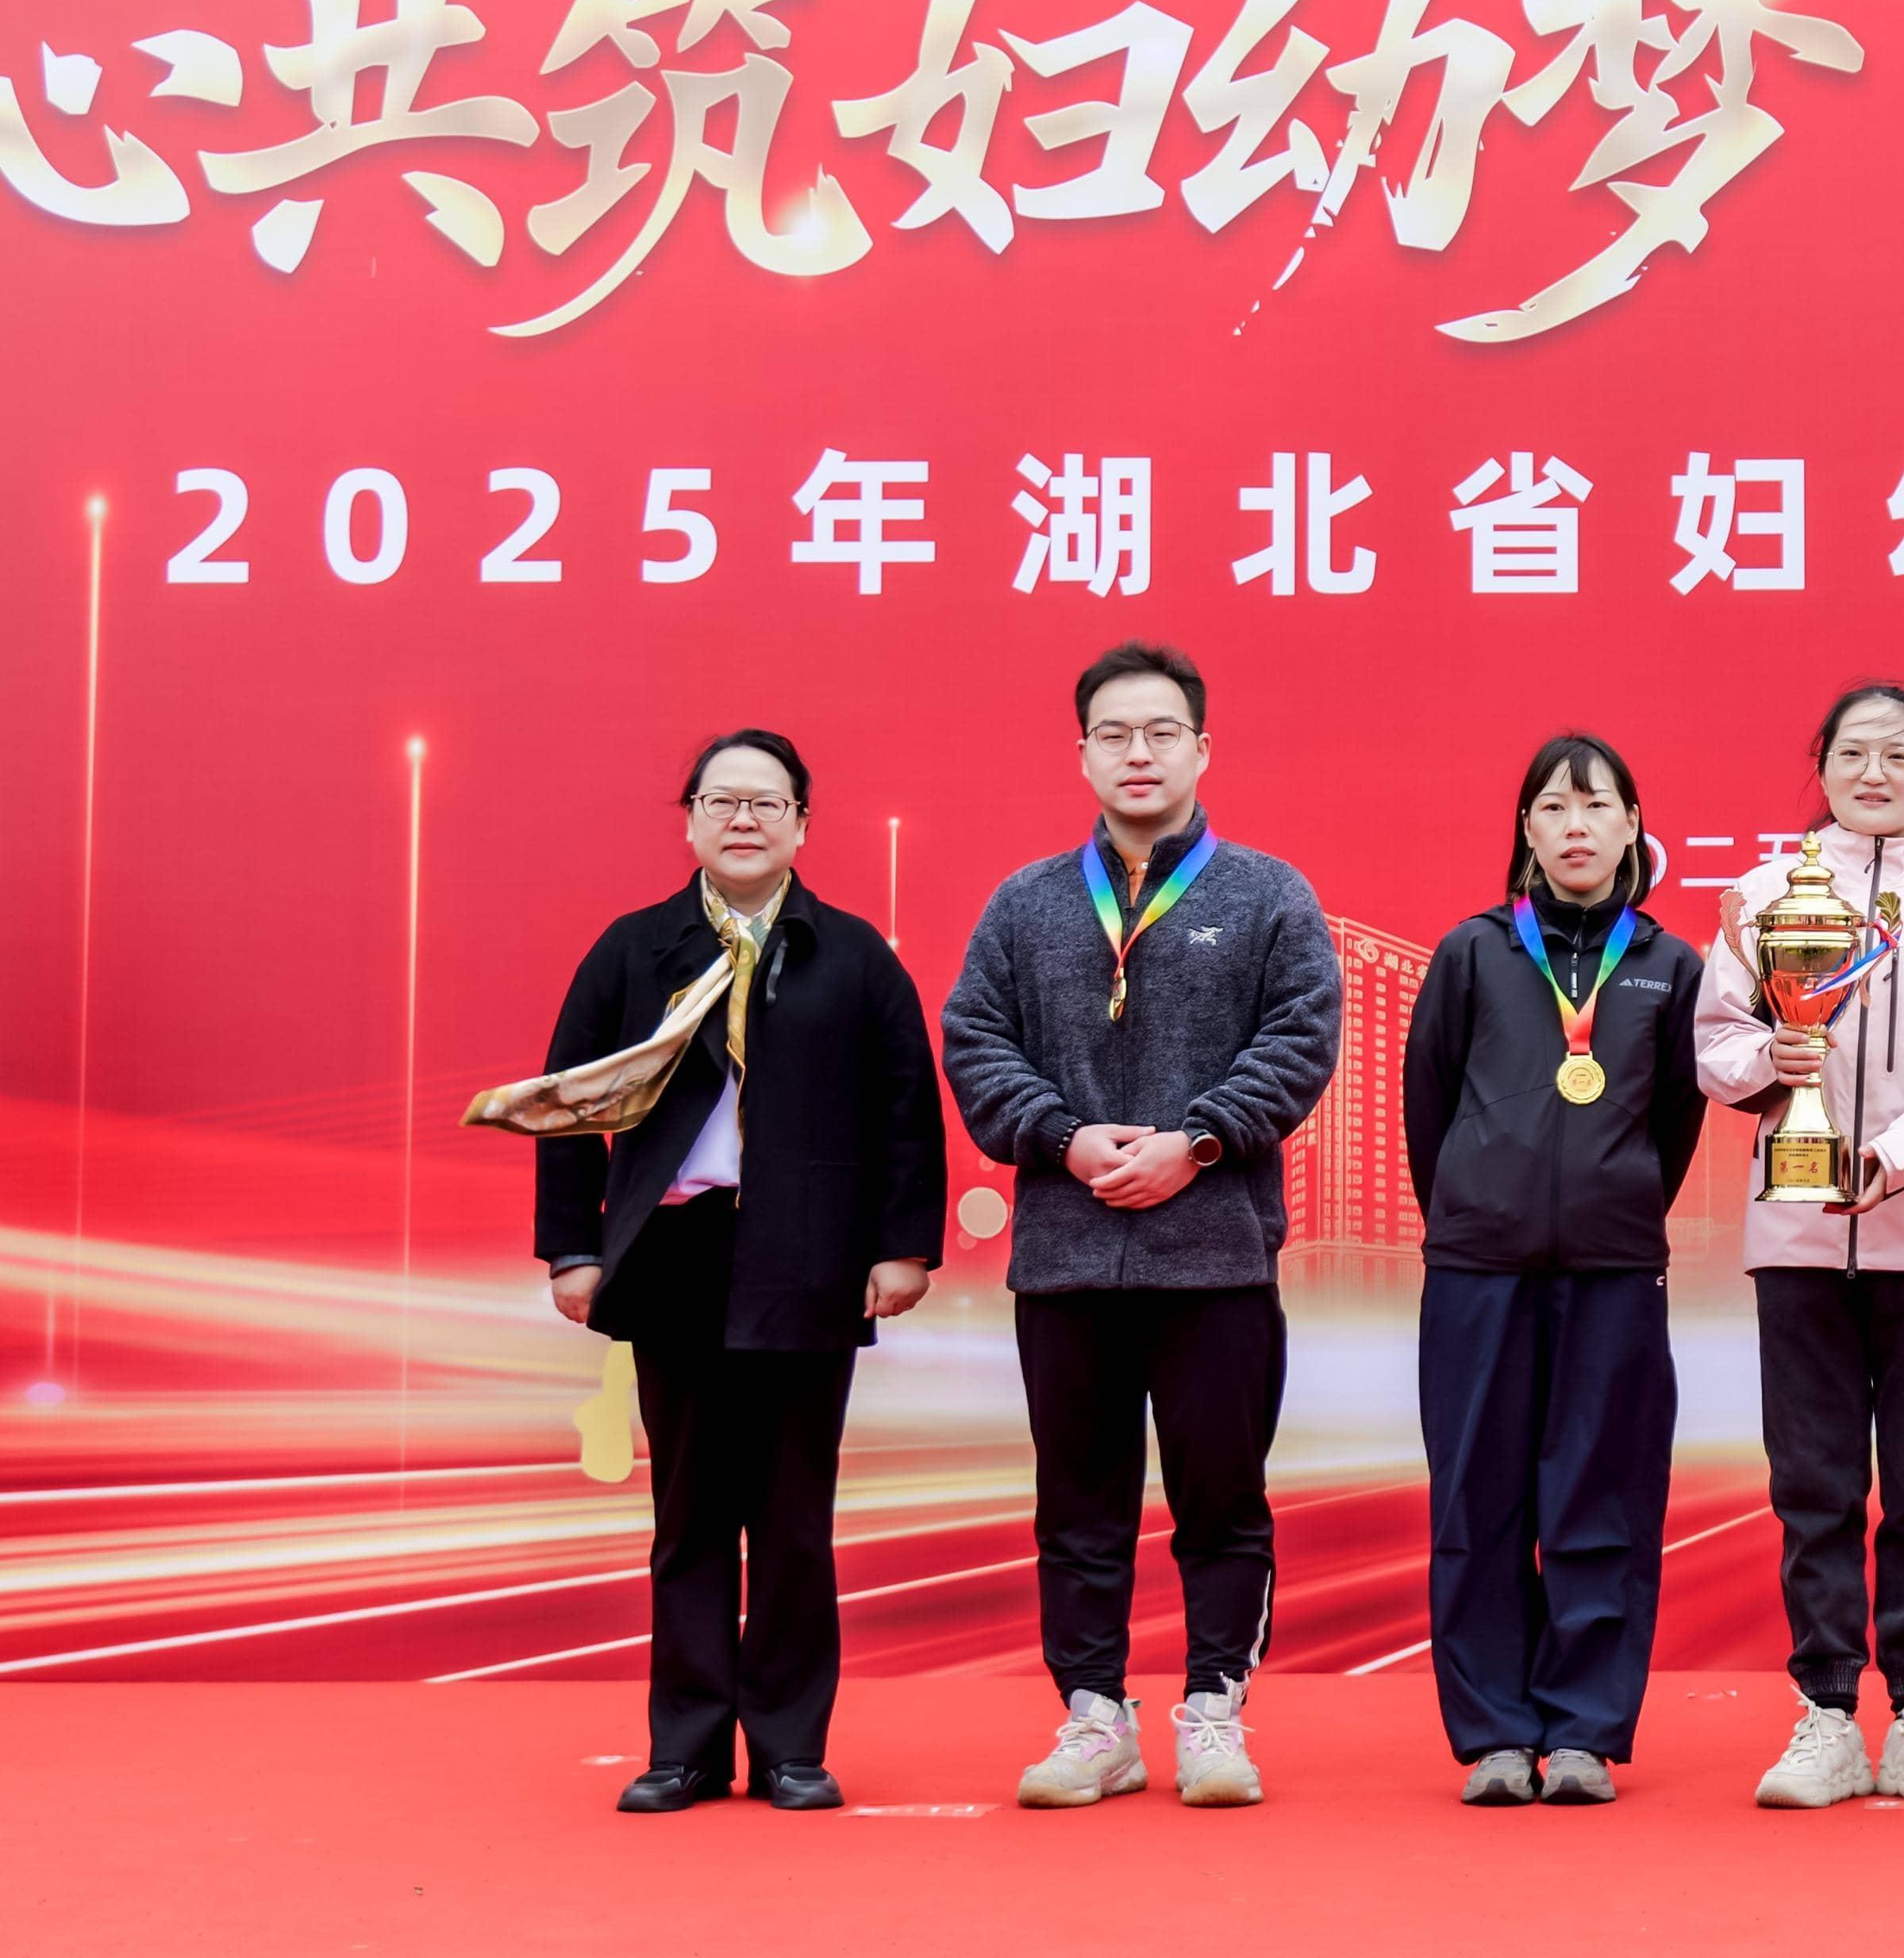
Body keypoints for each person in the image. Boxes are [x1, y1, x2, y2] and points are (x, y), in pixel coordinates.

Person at [506, 729, 944, 1814]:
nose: (743, 819)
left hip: (809, 1254)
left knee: (792, 1520)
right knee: (691, 1515)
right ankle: (689, 1748)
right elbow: (569, 1102)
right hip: (676, 1253)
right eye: (721, 801)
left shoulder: (852, 955)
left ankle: (790, 1746)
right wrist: (573, 1248)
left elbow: (906, 1109)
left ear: (802, 823)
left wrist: (901, 1245)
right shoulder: (633, 950)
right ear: (692, 820)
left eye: (767, 802)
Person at [942, 641, 1344, 1812]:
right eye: (1114, 734)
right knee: (1078, 1505)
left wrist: (1198, 1142)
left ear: (1202, 749)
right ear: (1082, 754)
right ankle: (1094, 1718)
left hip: (1215, 1256)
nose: (1139, 753)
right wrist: (1062, 1137)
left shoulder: (1268, 893)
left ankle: (1214, 1710)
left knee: (1223, 1500)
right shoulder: (1024, 903)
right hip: (1066, 1260)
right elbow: (974, 1041)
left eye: (1162, 732)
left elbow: (1302, 1038)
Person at [1695, 685, 1904, 1810]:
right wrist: (1768, 1064)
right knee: (1814, 1483)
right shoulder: (1761, 896)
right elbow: (1718, 1041)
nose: (1874, 773)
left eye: (1897, 755)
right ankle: (1827, 1714)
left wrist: (1902, 1152)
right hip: (1797, 1227)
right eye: (1852, 753)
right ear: (1822, 767)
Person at [1402, 733, 1706, 1807]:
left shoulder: (1670, 965)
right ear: (1526, 829)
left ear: (1634, 826)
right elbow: (1429, 1108)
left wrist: (1613, 1201)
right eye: (1554, 808)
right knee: (1477, 1497)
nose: (1577, 826)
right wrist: (1476, 1204)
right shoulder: (1473, 953)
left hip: (1614, 1269)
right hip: (1477, 1268)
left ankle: (1582, 1731)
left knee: (1602, 1495)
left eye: (1598, 805)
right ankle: (1494, 1731)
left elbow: (1676, 1122)